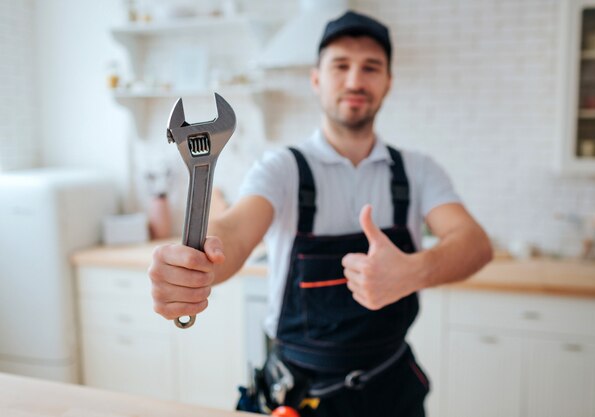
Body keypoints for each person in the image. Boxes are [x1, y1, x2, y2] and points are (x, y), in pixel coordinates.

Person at [149, 10, 492, 417]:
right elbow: (235, 232)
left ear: (388, 83)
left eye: (371, 67)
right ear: (316, 79)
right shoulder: (282, 169)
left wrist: (414, 270)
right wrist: (194, 268)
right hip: (300, 396)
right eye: (340, 65)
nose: (354, 80)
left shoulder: (418, 172)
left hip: (393, 389)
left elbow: (474, 244)